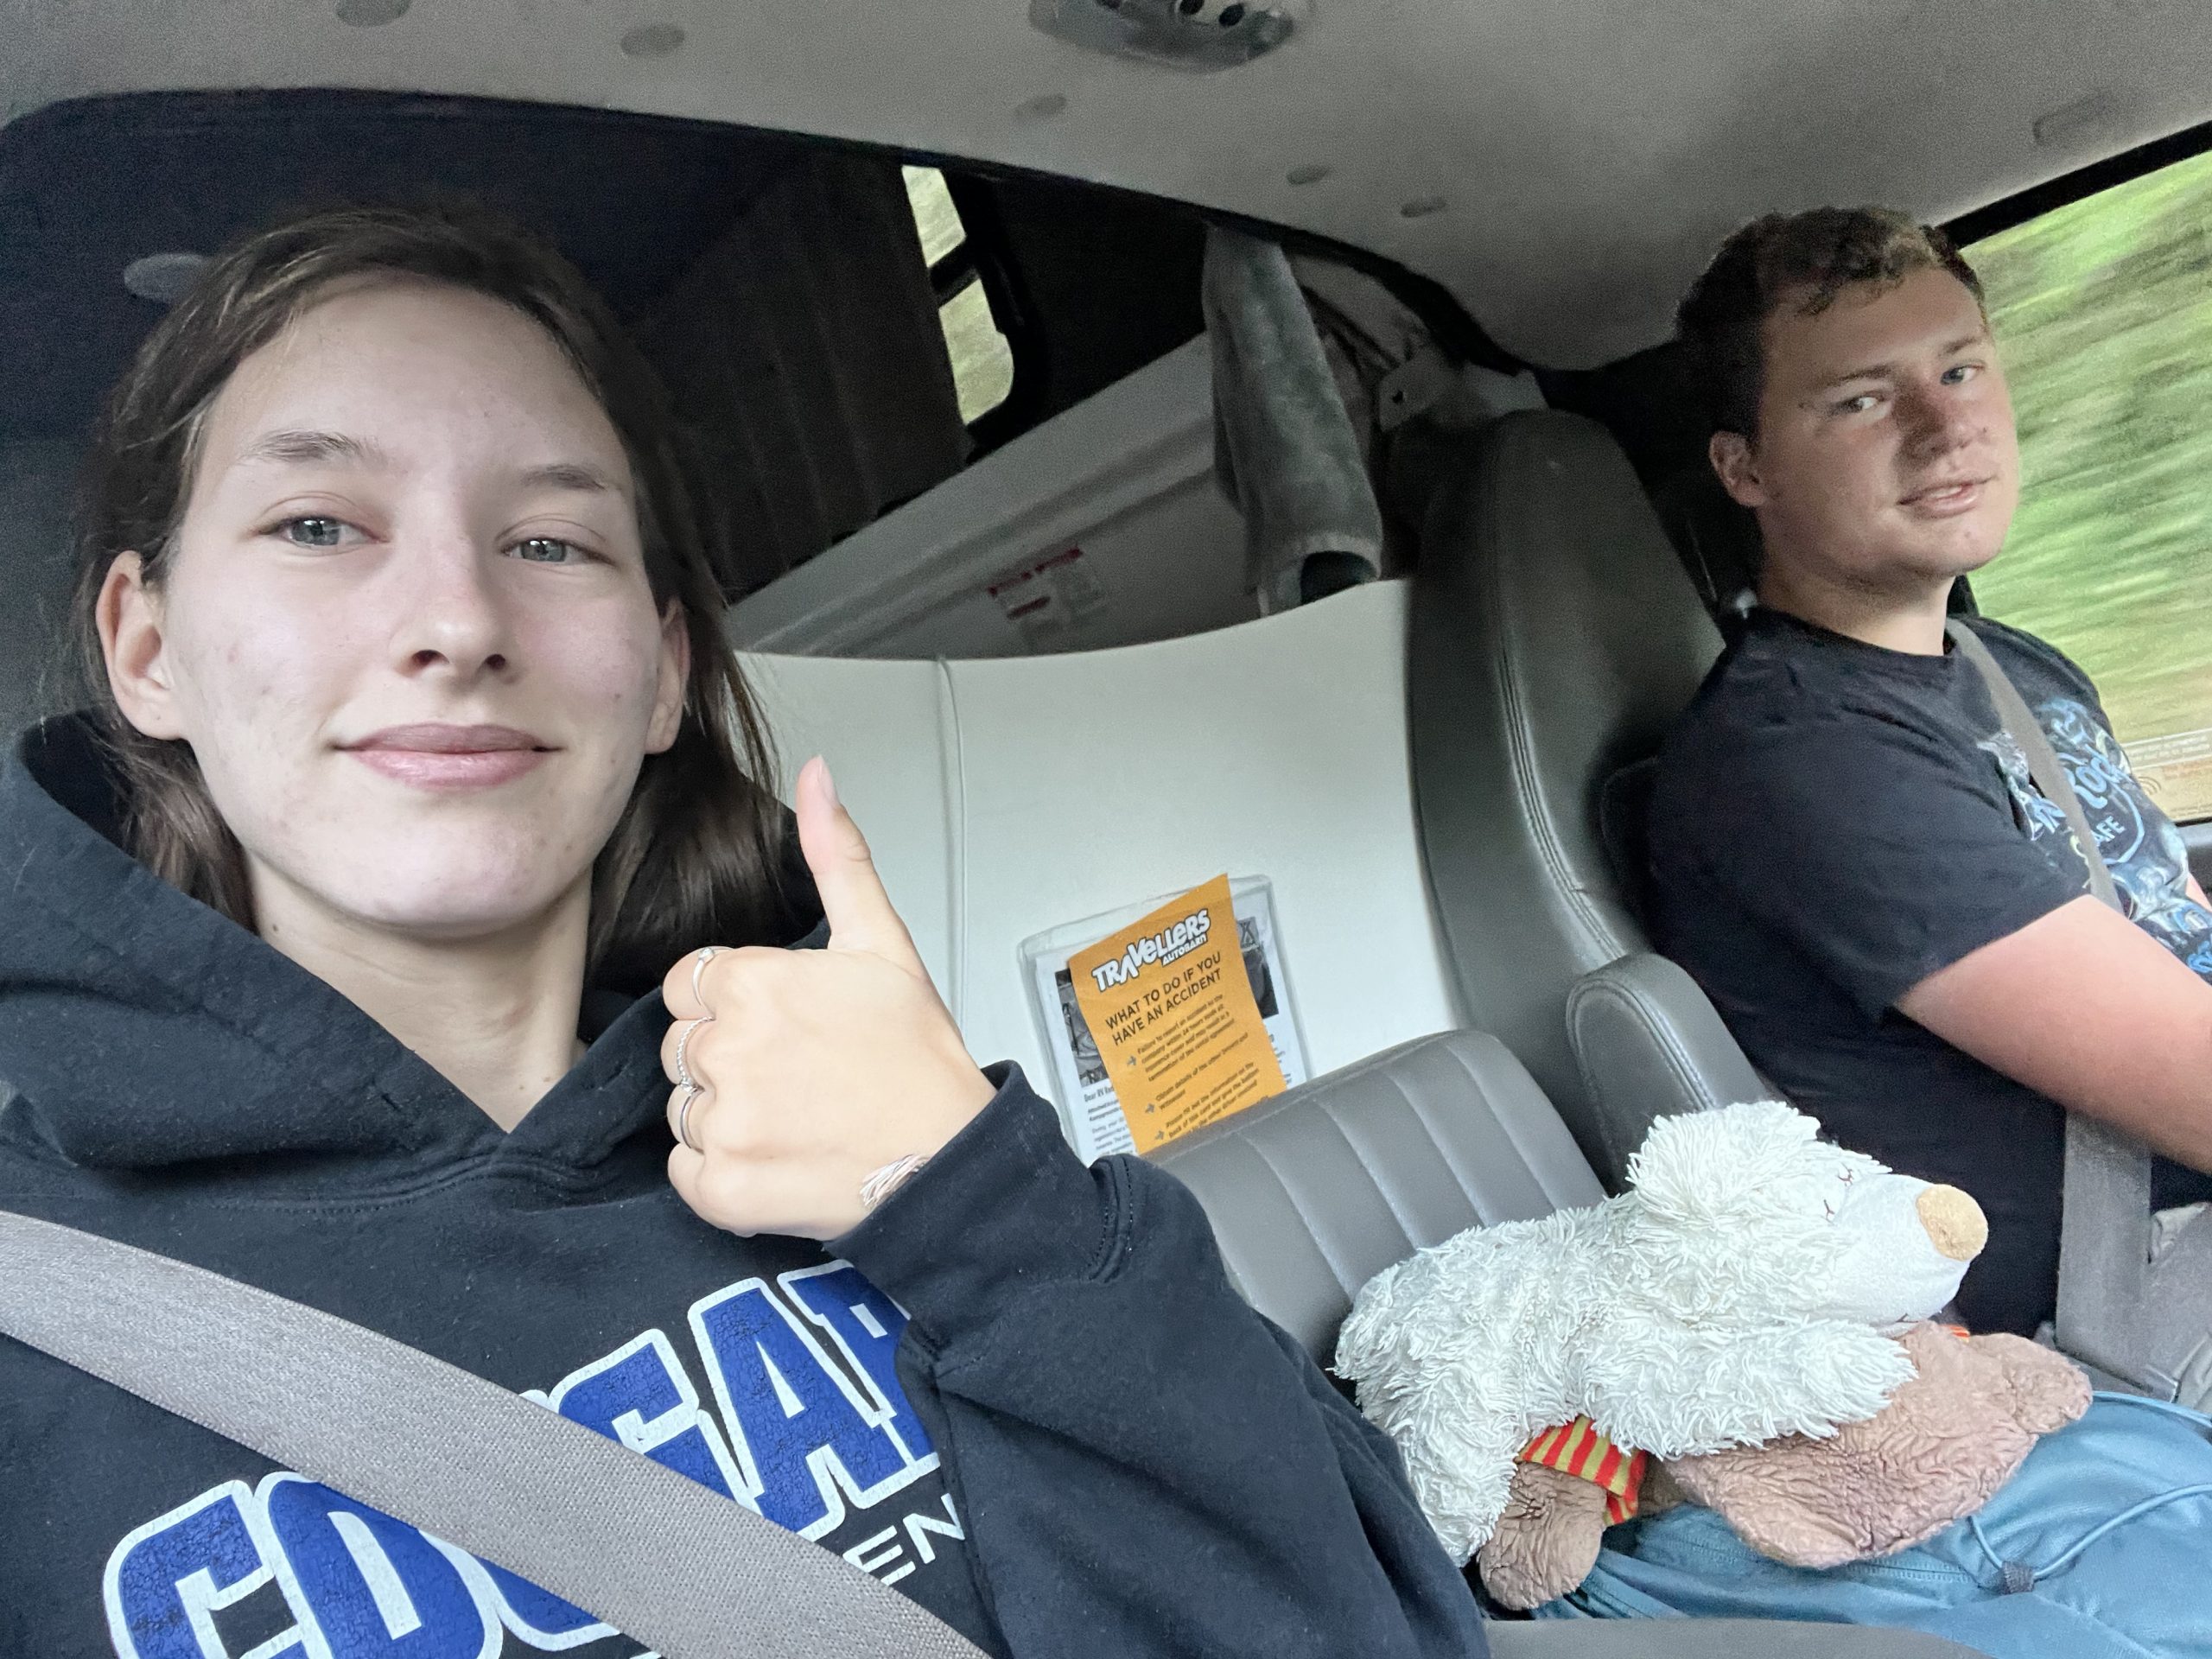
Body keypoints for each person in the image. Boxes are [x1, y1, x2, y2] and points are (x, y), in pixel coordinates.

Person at [0, 203, 1487, 1659]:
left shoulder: (910, 1145)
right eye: (318, 525)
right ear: (147, 646)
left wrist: (985, 1206)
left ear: (663, 672)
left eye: (551, 541)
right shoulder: (39, 1304)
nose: (458, 620)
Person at [1649, 207, 2212, 1347]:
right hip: (2149, 1307)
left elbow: (2172, 916)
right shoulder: (1801, 755)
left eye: (1959, 369)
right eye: (1863, 399)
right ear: (1745, 466)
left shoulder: (2005, 662)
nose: (1948, 427)